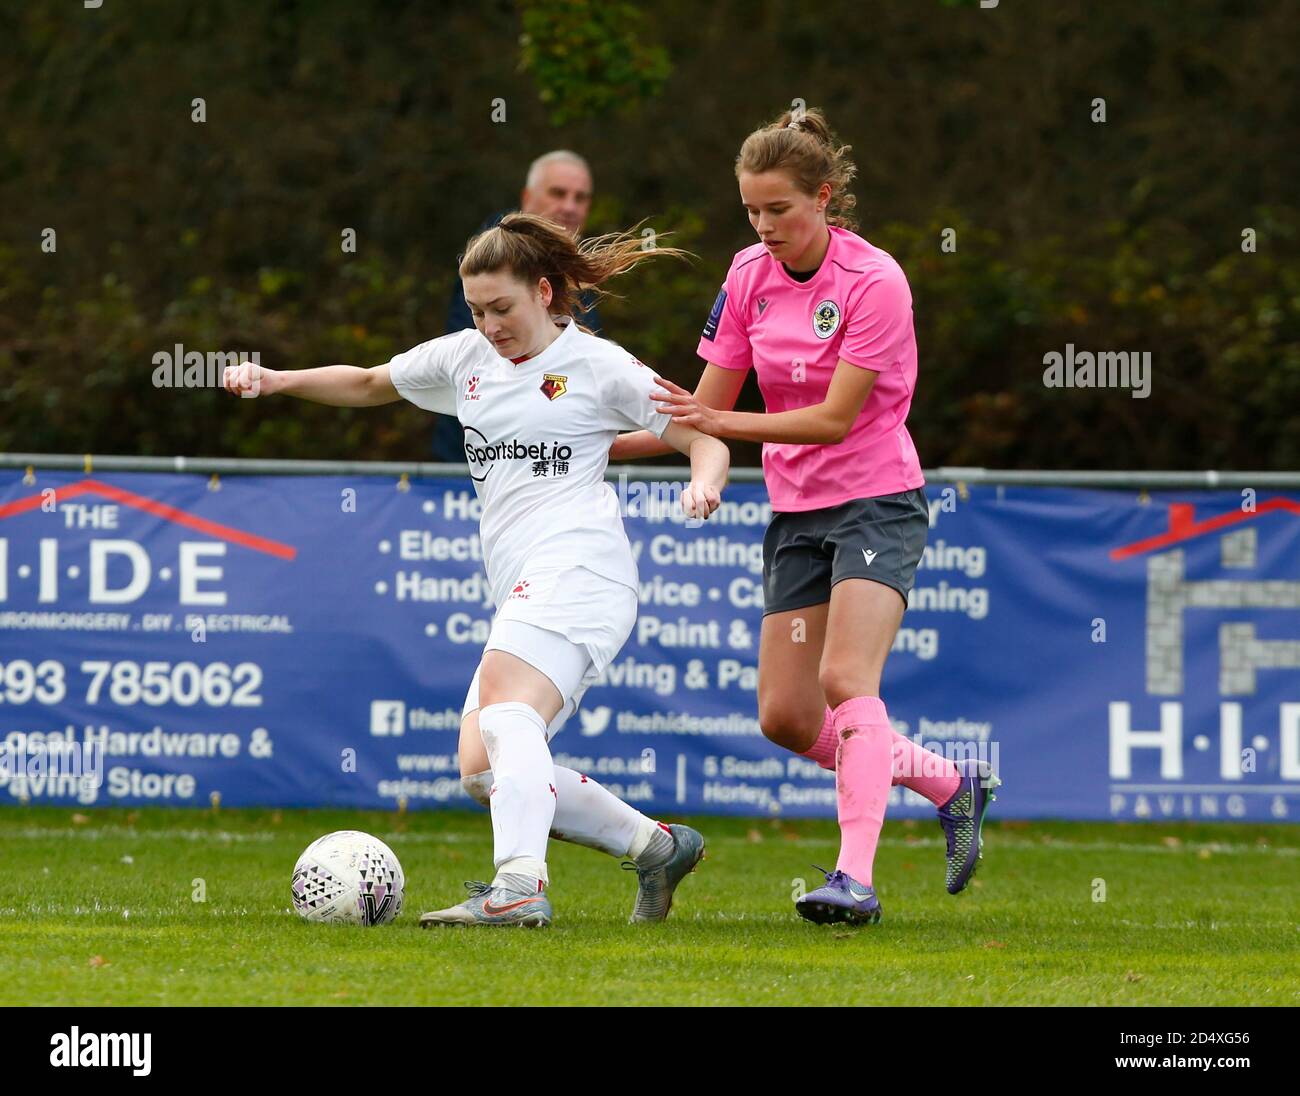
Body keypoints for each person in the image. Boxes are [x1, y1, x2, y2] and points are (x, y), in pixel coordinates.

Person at [224, 212, 730, 928]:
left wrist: (703, 480)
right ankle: (656, 847)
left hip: (583, 567)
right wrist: (277, 380)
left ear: (546, 293)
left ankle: (518, 886)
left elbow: (699, 431)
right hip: (527, 581)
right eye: (477, 309)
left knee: (506, 709)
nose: (490, 325)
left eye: (503, 308)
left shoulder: (599, 365)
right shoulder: (464, 359)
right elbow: (370, 381)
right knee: (483, 767)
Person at [610, 107, 1000, 926]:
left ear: (824, 198)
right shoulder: (747, 274)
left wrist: (722, 428)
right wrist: (581, 447)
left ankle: (853, 878)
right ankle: (950, 783)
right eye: (751, 212)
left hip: (876, 500)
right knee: (787, 716)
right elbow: (701, 410)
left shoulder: (874, 282)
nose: (763, 227)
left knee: (844, 681)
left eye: (779, 210)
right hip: (797, 511)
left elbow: (830, 419)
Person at [432, 151, 603, 463]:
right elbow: (474, 350)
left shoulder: (575, 266)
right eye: (558, 193)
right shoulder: (492, 258)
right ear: (527, 197)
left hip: (552, 456)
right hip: (474, 458)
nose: (569, 207)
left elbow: (587, 357)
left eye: (580, 198)